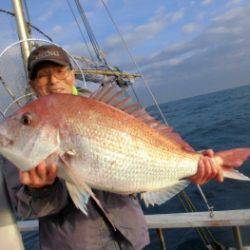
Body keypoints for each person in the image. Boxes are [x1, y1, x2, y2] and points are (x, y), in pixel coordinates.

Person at [2, 45, 223, 250]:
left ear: (72, 74)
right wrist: (40, 189)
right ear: (32, 84)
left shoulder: (108, 108)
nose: (52, 80)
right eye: (42, 75)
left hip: (131, 240)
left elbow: (155, 138)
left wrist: (193, 164)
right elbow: (26, 209)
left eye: (59, 71)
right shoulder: (20, 139)